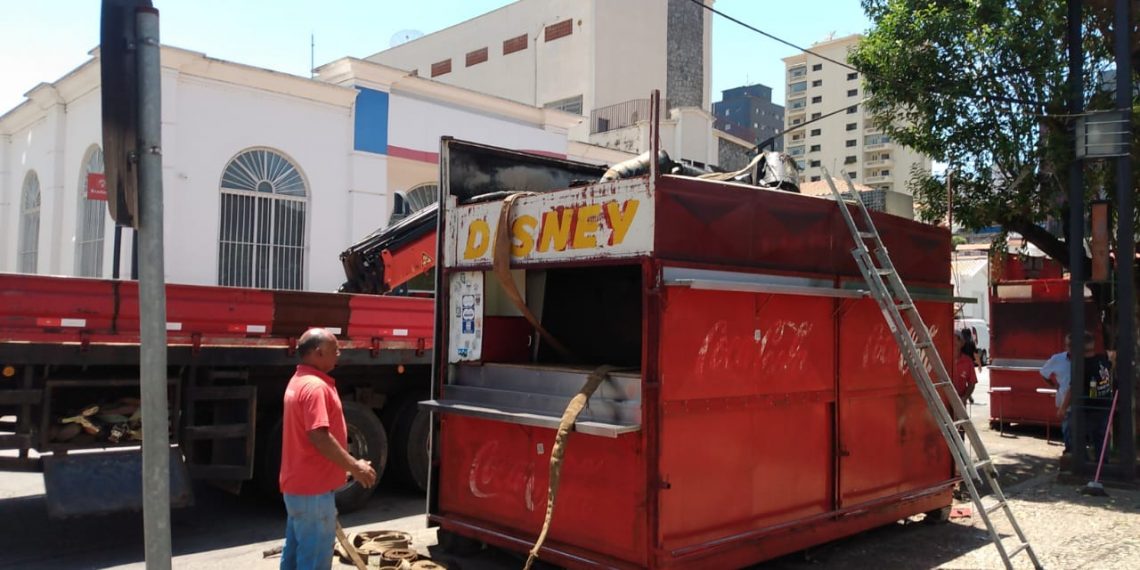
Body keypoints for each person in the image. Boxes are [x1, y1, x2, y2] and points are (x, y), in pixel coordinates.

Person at [279, 328, 377, 570]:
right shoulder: (315, 388)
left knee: (293, 555)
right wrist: (356, 466)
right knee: (314, 561)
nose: (339, 354)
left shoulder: (299, 381)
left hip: (299, 488)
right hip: (313, 492)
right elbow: (319, 436)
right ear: (318, 352)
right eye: (335, 350)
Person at [953, 332, 978, 405]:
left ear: (962, 343)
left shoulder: (968, 361)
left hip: (960, 401)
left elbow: (972, 382)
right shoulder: (942, 358)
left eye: (956, 342)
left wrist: (965, 397)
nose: (954, 345)